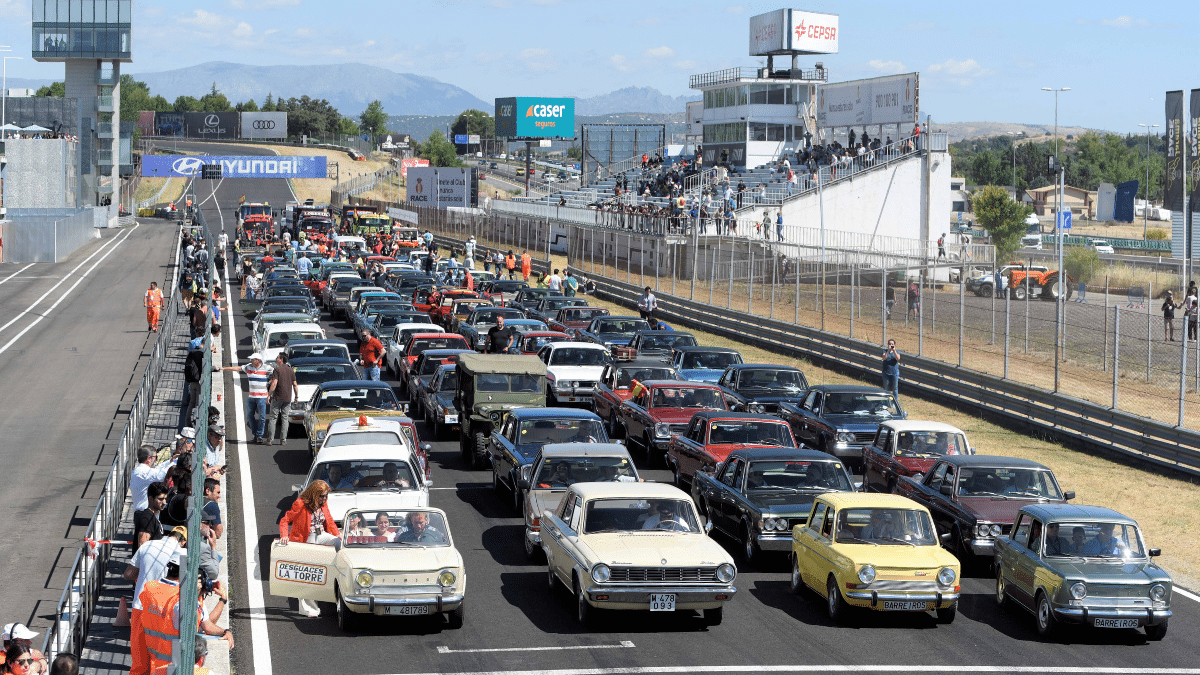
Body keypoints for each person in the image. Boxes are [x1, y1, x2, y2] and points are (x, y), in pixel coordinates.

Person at [124, 526, 186, 675]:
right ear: (182, 541)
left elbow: (129, 573)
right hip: (164, 609)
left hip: (140, 606)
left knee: (139, 662)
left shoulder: (147, 545)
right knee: (161, 661)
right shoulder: (181, 554)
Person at [279, 481, 341, 616]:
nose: (324, 499)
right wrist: (284, 536)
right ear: (314, 494)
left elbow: (329, 521)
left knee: (338, 544)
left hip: (321, 534)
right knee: (310, 572)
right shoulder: (300, 504)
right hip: (307, 538)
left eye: (325, 496)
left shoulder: (323, 504)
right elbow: (285, 520)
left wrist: (338, 535)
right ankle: (307, 608)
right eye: (321, 496)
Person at [221, 353, 271, 443]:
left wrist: (270, 382)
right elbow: (238, 368)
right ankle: (255, 434)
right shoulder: (249, 367)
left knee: (262, 417)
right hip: (251, 396)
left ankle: (259, 435)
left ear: (258, 360)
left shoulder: (267, 368)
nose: (250, 361)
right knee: (249, 416)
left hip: (262, 397)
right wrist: (224, 368)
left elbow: (276, 375)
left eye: (252, 359)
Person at [265, 353, 298, 445]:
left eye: (277, 357)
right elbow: (295, 384)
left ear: (281, 359)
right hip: (287, 398)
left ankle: (270, 440)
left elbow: (275, 383)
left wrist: (268, 395)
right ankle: (283, 440)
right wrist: (296, 397)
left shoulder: (277, 369)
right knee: (285, 418)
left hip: (277, 397)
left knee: (273, 418)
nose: (276, 359)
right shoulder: (290, 370)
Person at [134, 482, 169, 550]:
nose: (164, 502)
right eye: (160, 499)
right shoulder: (147, 518)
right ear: (150, 498)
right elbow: (142, 547)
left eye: (165, 499)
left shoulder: (152, 517)